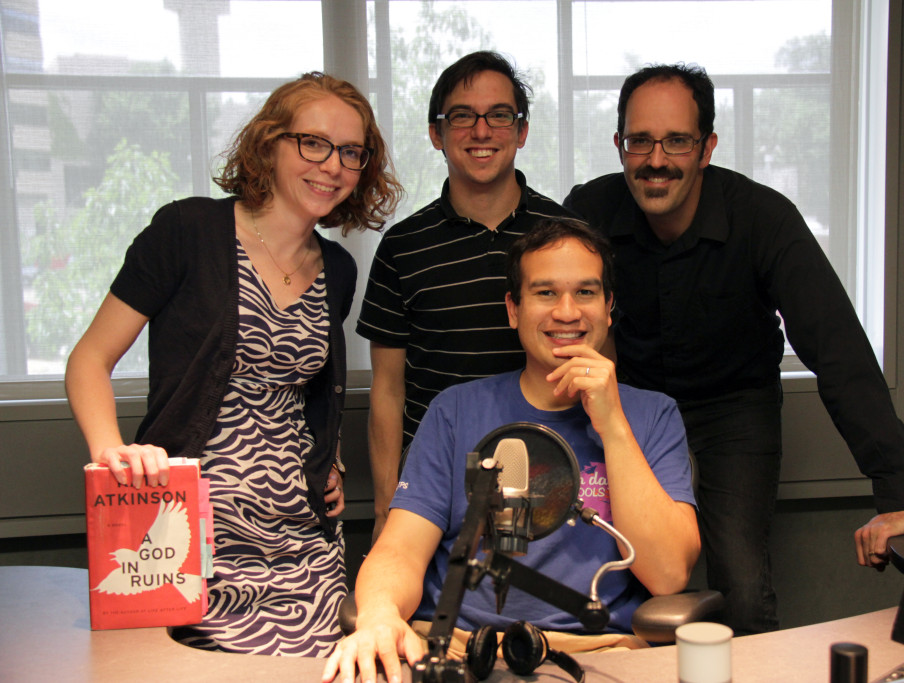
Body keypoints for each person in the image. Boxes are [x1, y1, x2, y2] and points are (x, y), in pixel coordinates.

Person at [563, 63, 904, 635]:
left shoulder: (763, 218)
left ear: (706, 148)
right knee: (618, 575)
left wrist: (897, 489)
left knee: (745, 590)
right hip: (632, 410)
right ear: (619, 146)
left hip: (735, 410)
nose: (657, 159)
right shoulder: (589, 211)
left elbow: (835, 346)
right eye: (640, 141)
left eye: (677, 141)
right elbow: (552, 315)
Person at [65, 72, 402, 656]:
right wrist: (109, 451)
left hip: (302, 548)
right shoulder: (187, 231)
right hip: (188, 540)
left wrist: (332, 459)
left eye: (351, 152)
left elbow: (304, 390)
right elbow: (89, 359)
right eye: (313, 142)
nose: (332, 165)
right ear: (269, 143)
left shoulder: (339, 269)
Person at [323, 218, 700, 683]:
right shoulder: (456, 411)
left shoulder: (653, 416)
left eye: (585, 293)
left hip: (602, 652)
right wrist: (380, 614)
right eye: (545, 293)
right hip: (458, 648)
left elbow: (668, 575)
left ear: (608, 307)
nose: (567, 313)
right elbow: (400, 549)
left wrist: (613, 424)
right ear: (513, 310)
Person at [356, 51, 578, 541]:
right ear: (437, 133)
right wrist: (384, 509)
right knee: (430, 612)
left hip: (547, 478)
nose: (482, 132)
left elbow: (598, 366)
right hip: (433, 489)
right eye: (462, 116)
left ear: (521, 131)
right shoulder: (402, 247)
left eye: (499, 115)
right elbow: (389, 392)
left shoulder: (568, 238)